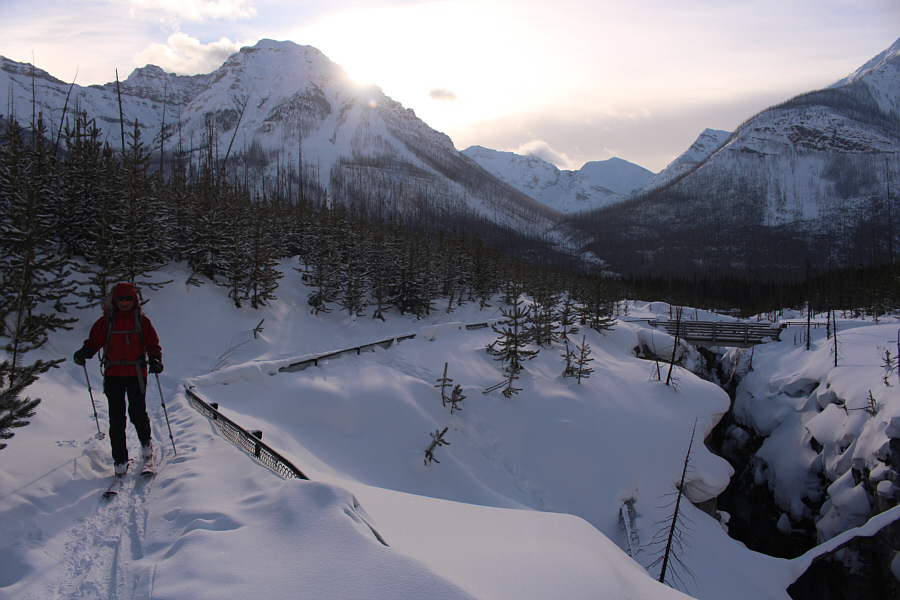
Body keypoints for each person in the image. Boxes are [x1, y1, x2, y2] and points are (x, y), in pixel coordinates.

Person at [73, 281, 163, 475]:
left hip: (136, 374)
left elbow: (153, 344)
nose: (124, 302)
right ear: (114, 299)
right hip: (113, 374)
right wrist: (85, 352)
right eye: (120, 299)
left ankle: (146, 444)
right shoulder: (106, 321)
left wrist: (155, 358)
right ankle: (120, 459)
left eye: (128, 299)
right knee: (116, 418)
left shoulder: (141, 320)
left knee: (137, 412)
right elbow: (94, 341)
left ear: (134, 299)